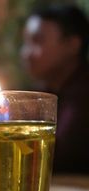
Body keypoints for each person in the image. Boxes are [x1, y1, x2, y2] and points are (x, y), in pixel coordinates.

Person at [21, 4, 89, 174]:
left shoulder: (83, 95)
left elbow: (59, 156)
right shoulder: (46, 92)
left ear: (72, 45)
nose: (26, 53)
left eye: (37, 41)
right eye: (26, 42)